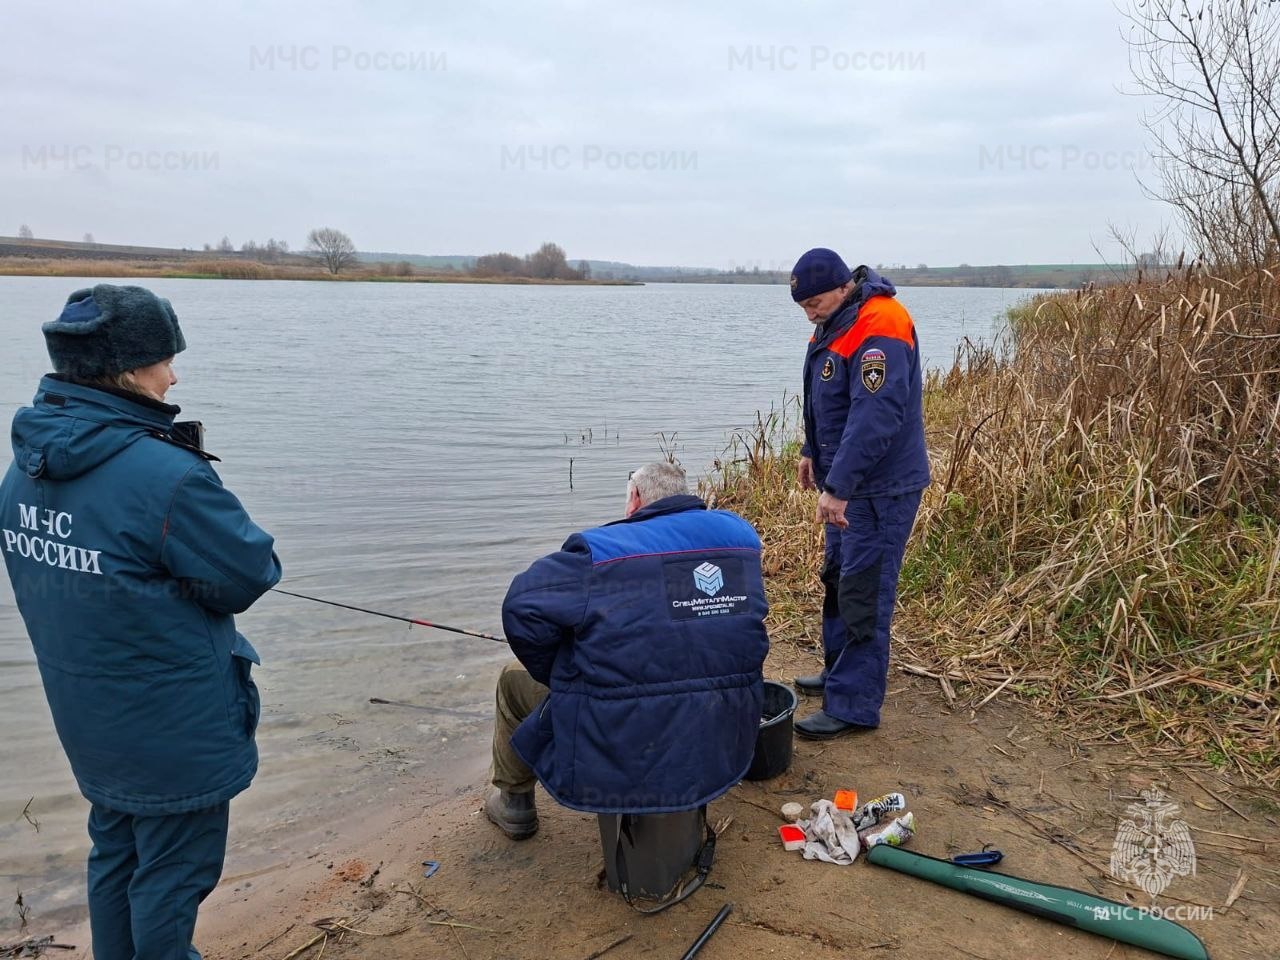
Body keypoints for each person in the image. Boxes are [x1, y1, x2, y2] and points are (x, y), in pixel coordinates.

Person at [0, 285, 282, 960]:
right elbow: (248, 574)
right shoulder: (164, 473)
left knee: (117, 852)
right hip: (174, 728)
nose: (173, 376)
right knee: (172, 876)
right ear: (128, 370)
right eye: (165, 360)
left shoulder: (24, 468)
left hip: (90, 720)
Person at [485, 461, 770, 839]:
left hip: (626, 737)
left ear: (635, 498)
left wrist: (557, 668)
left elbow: (520, 605)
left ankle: (515, 804)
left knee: (511, 679)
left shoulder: (601, 552)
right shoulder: (740, 538)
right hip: (722, 732)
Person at [788, 249, 929, 740]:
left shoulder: (882, 323)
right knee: (838, 579)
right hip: (847, 485)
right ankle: (837, 672)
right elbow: (826, 398)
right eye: (802, 306)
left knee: (864, 592)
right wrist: (811, 450)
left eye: (814, 302)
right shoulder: (834, 320)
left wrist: (840, 487)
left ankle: (853, 705)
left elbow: (876, 416)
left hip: (879, 489)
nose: (809, 313)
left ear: (844, 286)